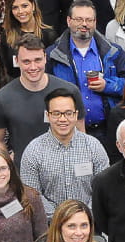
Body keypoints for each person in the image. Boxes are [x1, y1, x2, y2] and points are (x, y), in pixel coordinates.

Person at [47, 0, 125, 153]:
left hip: (107, 131)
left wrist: (107, 85)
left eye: (89, 20)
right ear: (68, 21)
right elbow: (44, 91)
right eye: (79, 19)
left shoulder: (113, 52)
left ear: (95, 22)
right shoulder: (53, 55)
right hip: (68, 133)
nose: (84, 24)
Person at [0, 34, 82, 164]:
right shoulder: (0, 100)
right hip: (24, 171)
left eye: (37, 60)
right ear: (17, 61)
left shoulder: (70, 92)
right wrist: (8, 166)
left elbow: (81, 134)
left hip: (67, 169)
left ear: (45, 58)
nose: (33, 67)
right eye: (26, 62)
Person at [19, 88, 110, 217]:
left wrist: (83, 216)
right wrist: (60, 218)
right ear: (48, 116)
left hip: (89, 222)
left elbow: (103, 189)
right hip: (49, 224)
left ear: (76, 115)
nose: (63, 119)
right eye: (56, 113)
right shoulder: (33, 151)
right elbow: (32, 196)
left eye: (68, 113)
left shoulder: (94, 146)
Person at [2, 0, 57, 76]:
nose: (20, 11)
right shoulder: (7, 36)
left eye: (24, 6)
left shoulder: (48, 35)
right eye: (15, 8)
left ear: (33, 6)